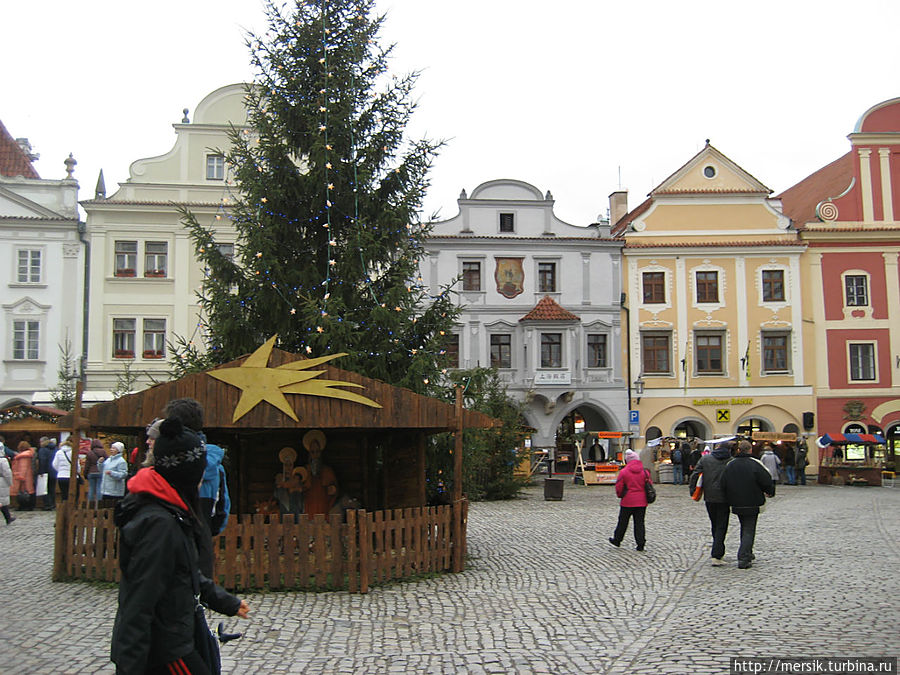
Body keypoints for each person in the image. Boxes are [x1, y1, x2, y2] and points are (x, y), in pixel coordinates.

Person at [111, 417, 250, 674]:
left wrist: (223, 601)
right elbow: (139, 602)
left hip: (174, 638)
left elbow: (183, 570)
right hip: (164, 649)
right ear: (186, 475)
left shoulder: (172, 511)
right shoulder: (159, 523)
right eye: (199, 474)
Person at [162, 398, 231, 537]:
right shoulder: (215, 464)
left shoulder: (166, 460)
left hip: (170, 537)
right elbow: (223, 506)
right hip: (202, 537)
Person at [721, 439, 775, 569]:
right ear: (750, 450)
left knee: (744, 527)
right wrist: (770, 492)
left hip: (736, 501)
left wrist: (728, 497)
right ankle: (744, 557)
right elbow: (766, 480)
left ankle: (748, 552)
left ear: (739, 450)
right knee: (749, 528)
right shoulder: (755, 464)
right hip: (753, 501)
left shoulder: (730, 465)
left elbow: (723, 482)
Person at [689, 441, 732, 565]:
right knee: (722, 525)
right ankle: (717, 553)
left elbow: (695, 475)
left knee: (714, 523)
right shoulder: (731, 461)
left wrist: (693, 491)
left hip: (710, 496)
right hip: (725, 497)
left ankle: (717, 548)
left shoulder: (706, 459)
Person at [609, 449, 652, 551]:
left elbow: (619, 487)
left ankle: (617, 539)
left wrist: (620, 495)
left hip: (627, 501)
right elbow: (649, 484)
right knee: (639, 523)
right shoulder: (645, 472)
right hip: (641, 502)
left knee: (623, 522)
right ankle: (640, 543)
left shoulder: (624, 472)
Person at [298, 429, 338, 516]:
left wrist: (333, 489)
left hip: (323, 502)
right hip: (309, 502)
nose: (315, 454)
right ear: (309, 453)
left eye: (317, 451)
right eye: (313, 452)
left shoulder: (327, 470)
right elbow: (299, 487)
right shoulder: (305, 470)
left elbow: (334, 488)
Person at [11, 441, 36, 511]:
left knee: (23, 492)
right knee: (28, 492)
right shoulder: (28, 455)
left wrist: (20, 477)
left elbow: (23, 467)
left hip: (24, 478)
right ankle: (28, 506)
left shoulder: (23, 456)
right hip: (28, 476)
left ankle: (24, 506)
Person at [85, 439, 108, 507]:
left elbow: (87, 465)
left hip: (91, 472)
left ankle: (90, 505)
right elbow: (107, 461)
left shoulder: (89, 453)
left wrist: (85, 474)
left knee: (91, 489)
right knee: (99, 488)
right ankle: (98, 505)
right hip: (100, 472)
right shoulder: (103, 452)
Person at [37, 436, 58, 510]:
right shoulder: (55, 449)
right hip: (54, 471)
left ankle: (48, 505)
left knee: (45, 489)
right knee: (52, 489)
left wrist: (41, 472)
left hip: (46, 471)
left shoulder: (43, 450)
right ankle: (53, 504)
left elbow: (42, 461)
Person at [0, 446, 14, 524]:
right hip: (2, 481)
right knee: (2, 501)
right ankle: (8, 518)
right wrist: (10, 482)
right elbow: (7, 473)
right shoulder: (3, 460)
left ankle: (8, 517)